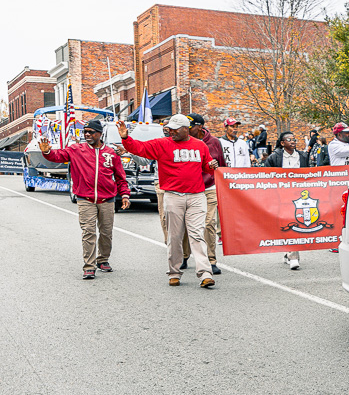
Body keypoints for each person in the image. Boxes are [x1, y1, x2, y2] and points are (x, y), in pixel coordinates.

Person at [118, 114, 218, 288]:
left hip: (196, 196)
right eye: (170, 129)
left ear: (186, 129)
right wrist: (126, 138)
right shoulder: (162, 144)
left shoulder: (200, 145)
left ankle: (205, 273)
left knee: (197, 234)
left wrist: (211, 166)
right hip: (173, 195)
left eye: (175, 129)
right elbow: (139, 148)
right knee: (174, 236)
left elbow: (206, 166)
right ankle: (174, 272)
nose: (171, 132)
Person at [37, 118, 130, 279]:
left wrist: (125, 195)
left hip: (107, 200)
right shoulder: (76, 150)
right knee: (88, 232)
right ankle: (89, 266)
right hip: (85, 199)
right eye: (85, 132)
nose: (87, 135)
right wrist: (47, 152)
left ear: (99, 134)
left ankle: (103, 259)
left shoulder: (111, 154)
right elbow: (58, 156)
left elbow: (120, 177)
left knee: (106, 233)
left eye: (91, 132)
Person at [263, 131, 309, 269]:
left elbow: (309, 173)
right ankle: (291, 254)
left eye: (294, 139)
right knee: (287, 223)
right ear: (282, 143)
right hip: (281, 195)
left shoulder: (303, 156)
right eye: (289, 139)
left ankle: (291, 254)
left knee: (296, 222)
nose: (293, 141)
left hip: (298, 194)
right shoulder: (274, 157)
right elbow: (266, 175)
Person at [189, 114, 227, 276]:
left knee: (209, 223)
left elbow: (222, 165)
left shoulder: (214, 142)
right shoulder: (183, 141)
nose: (186, 129)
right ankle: (184, 255)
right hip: (189, 188)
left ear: (199, 127)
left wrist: (223, 185)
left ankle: (211, 260)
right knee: (186, 226)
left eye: (190, 126)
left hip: (209, 187)